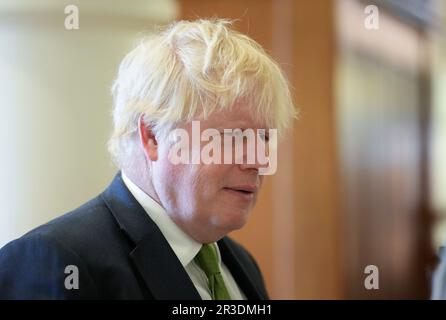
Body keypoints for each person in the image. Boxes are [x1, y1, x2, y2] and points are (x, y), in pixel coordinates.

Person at [0, 19, 295, 299]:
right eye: (235, 137)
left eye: (264, 138)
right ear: (153, 135)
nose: (259, 160)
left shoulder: (241, 263)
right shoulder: (54, 262)